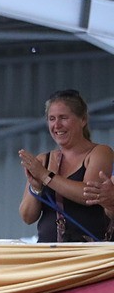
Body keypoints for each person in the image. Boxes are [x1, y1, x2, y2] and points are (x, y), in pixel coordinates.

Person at [18, 89, 113, 242]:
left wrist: (45, 176)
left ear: (83, 120)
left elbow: (88, 194)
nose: (57, 125)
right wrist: (36, 187)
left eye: (63, 118)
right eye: (52, 118)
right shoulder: (44, 160)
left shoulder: (100, 152)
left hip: (88, 255)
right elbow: (27, 217)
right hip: (50, 255)